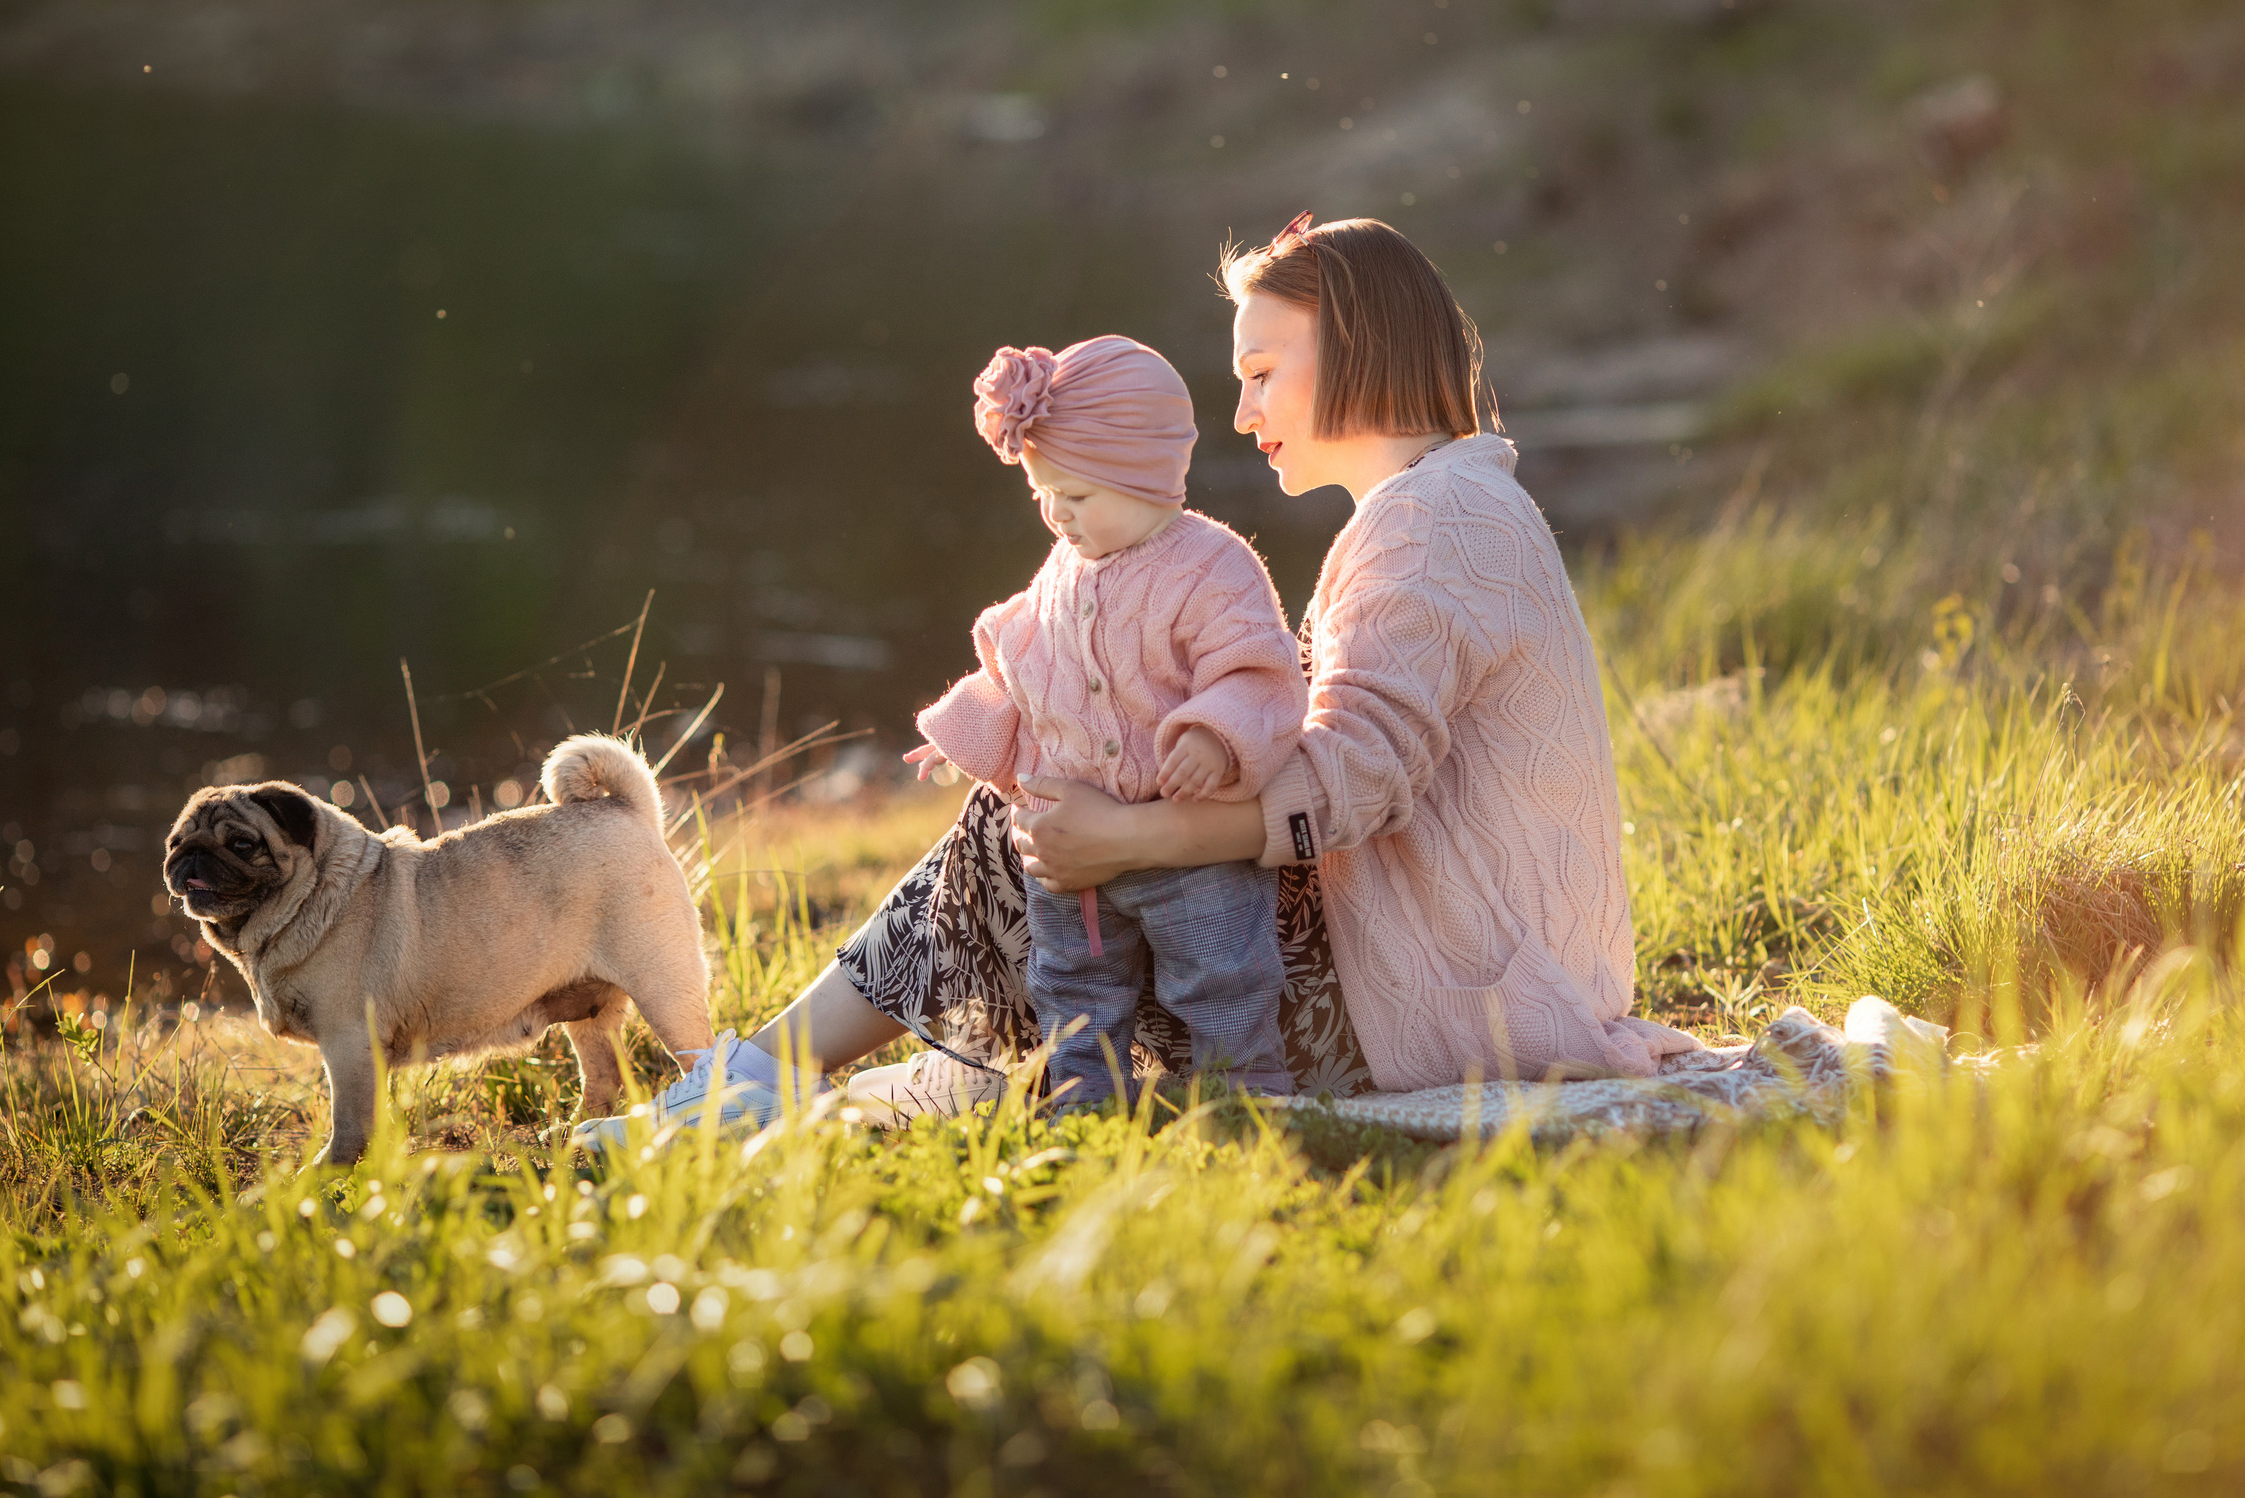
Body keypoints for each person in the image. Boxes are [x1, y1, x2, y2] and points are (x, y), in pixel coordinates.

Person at [574, 212, 1700, 1147]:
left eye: (1262, 374)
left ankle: (752, 1080)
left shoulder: (1431, 526)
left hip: (1444, 1001)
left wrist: (1130, 837)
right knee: (1058, 784)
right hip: (1458, 960)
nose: (1245, 412)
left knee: (1040, 812)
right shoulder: (1442, 503)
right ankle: (776, 1073)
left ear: (1355, 349)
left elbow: (1357, 780)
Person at [907, 335, 1305, 1108]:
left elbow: (1256, 669)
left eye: (1076, 495)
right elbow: (1020, 661)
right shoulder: (1062, 569)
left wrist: (1211, 734)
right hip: (1073, 861)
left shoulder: (1210, 567)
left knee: (1222, 971)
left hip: (1190, 848)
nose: (1057, 514)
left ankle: (1244, 1091)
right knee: (1072, 983)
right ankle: (1087, 1096)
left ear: (1145, 475)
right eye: (1043, 494)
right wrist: (964, 729)